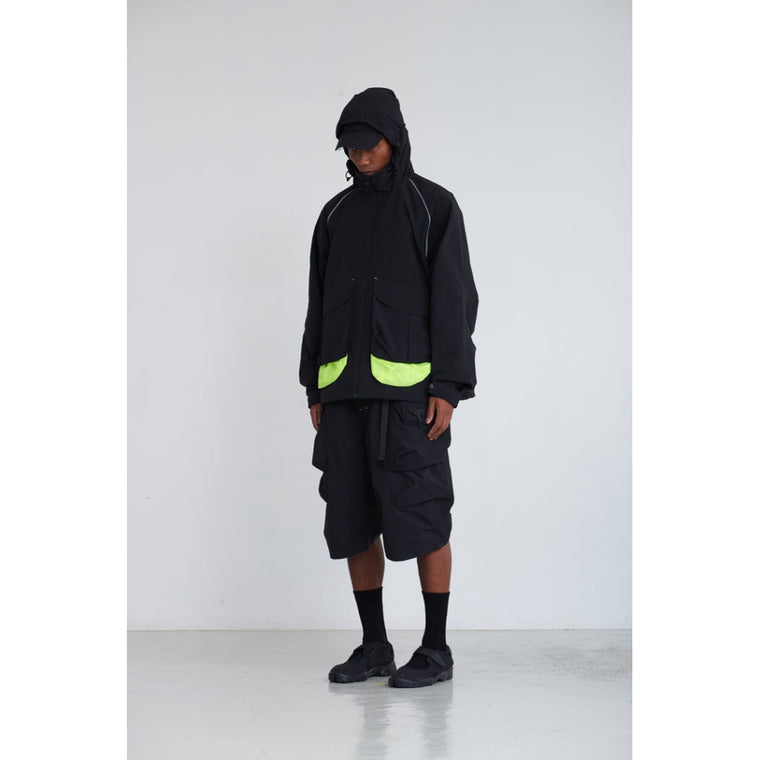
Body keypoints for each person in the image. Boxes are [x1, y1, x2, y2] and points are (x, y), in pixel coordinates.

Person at [299, 87, 478, 688]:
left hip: (409, 403)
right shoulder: (334, 215)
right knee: (352, 519)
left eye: (369, 144)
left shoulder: (433, 206)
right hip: (342, 398)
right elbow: (318, 304)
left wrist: (448, 385)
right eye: (350, 147)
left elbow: (455, 300)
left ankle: (436, 649)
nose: (360, 155)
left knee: (423, 516)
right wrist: (313, 386)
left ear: (394, 139)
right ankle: (374, 645)